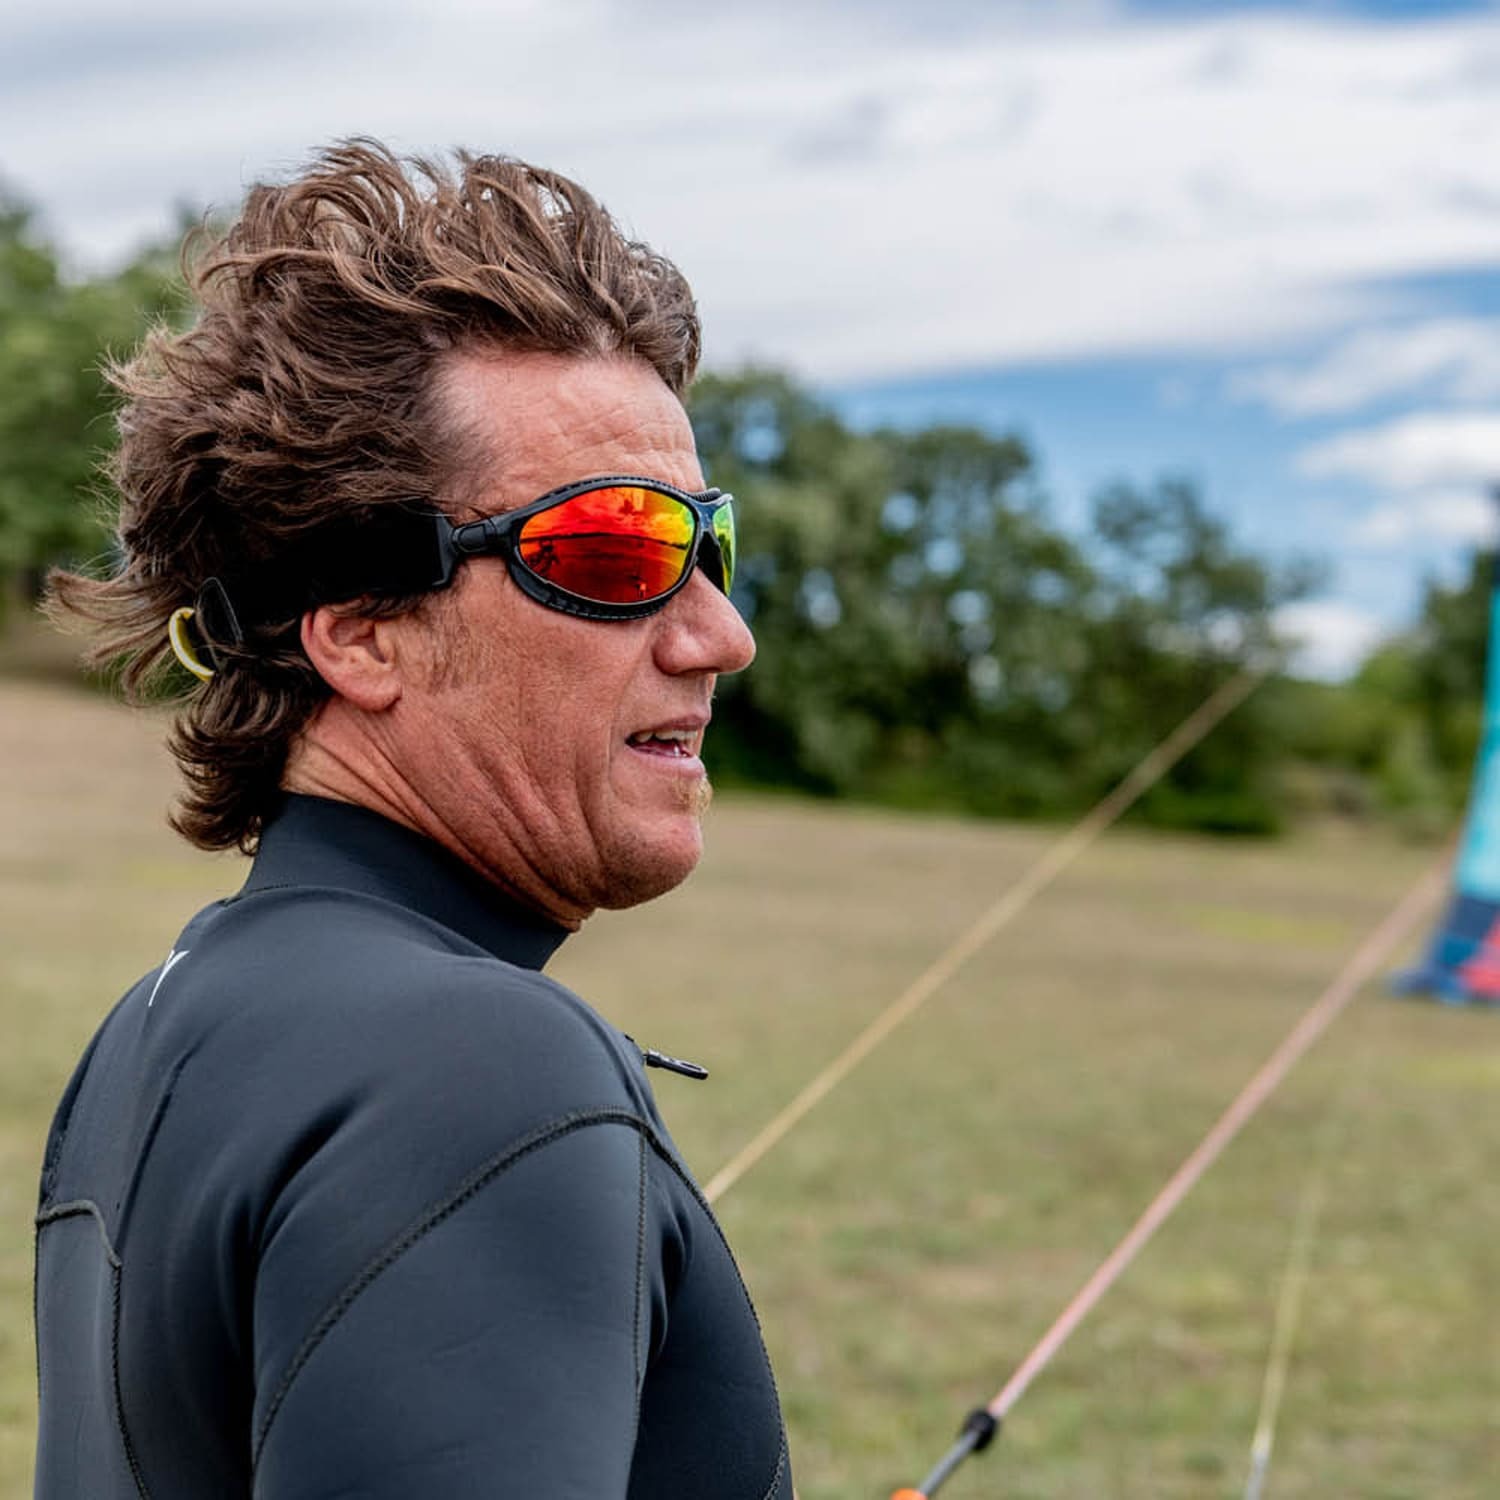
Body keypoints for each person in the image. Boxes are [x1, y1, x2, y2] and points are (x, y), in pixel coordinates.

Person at [35, 139, 792, 1499]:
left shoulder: (161, 1022)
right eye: (617, 548)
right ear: (362, 633)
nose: (720, 636)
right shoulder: (479, 1064)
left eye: (710, 544)